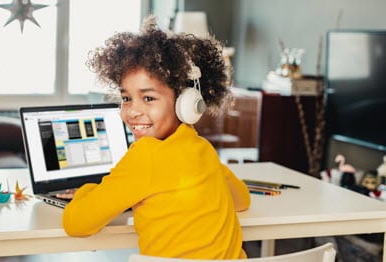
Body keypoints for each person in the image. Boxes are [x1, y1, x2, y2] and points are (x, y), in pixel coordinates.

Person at [62, 15, 251, 259]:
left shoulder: (146, 154)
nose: (132, 111)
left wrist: (86, 191)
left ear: (185, 101)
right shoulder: (203, 149)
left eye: (148, 98)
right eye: (126, 98)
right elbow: (242, 200)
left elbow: (75, 223)